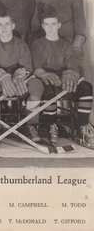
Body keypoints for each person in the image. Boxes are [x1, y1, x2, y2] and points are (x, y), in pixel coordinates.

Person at [31, 13, 93, 148]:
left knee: (86, 87)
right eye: (47, 24)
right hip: (47, 79)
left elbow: (72, 64)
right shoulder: (37, 44)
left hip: (64, 78)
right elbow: (36, 66)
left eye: (53, 24)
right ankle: (50, 126)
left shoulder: (66, 44)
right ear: (42, 26)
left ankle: (81, 128)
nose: (50, 27)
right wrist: (43, 74)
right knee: (47, 90)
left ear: (59, 25)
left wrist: (70, 74)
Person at [0, 14, 44, 146]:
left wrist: (19, 74)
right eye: (0, 25)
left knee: (36, 85)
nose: (4, 28)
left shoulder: (21, 44)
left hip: (19, 78)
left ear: (13, 26)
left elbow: (27, 66)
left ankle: (31, 125)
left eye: (7, 24)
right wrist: (1, 75)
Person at [31, 0, 86, 72]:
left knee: (70, 75)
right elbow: (36, 19)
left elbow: (80, 24)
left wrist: (75, 48)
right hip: (47, 43)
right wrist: (34, 42)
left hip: (68, 43)